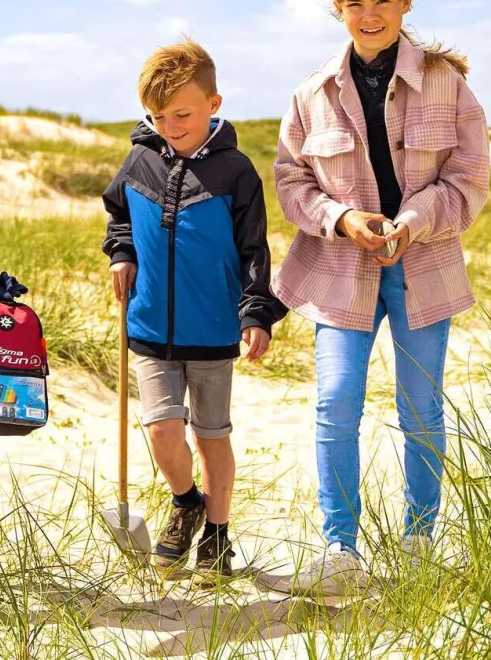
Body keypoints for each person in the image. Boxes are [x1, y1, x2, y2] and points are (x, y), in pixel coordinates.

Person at [273, 0, 491, 595]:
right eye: (355, 3)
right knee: (336, 404)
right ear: (340, 10)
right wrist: (341, 218)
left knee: (420, 406)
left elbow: (469, 181)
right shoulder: (311, 94)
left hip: (425, 265)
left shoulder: (448, 84)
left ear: (406, 1)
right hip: (343, 269)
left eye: (382, 0)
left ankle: (421, 540)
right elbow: (290, 181)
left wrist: (415, 219)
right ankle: (340, 549)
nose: (370, 15)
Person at [102, 39, 287, 580]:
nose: (169, 125)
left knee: (211, 436)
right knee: (162, 431)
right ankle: (186, 502)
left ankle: (218, 536)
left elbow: (255, 251)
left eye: (181, 114)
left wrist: (255, 315)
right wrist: (122, 252)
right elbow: (118, 214)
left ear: (214, 104)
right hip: (148, 325)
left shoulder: (237, 173)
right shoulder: (139, 160)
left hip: (211, 330)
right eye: (157, 116)